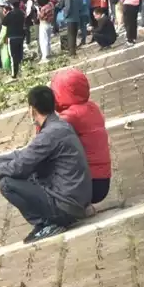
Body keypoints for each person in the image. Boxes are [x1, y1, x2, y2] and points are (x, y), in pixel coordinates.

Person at [0, 86, 92, 243]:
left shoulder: (49, 134)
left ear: (32, 110)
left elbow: (20, 166)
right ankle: (53, 220)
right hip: (76, 201)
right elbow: (25, 155)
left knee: (7, 183)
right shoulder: (59, 126)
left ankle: (47, 224)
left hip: (66, 206)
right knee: (28, 173)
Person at [51, 68, 111, 213]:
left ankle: (71, 208)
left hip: (88, 183)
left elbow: (47, 139)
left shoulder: (71, 117)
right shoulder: (92, 107)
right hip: (103, 180)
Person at [0, 0, 28, 79]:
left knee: (13, 56)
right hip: (20, 36)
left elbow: (4, 28)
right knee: (19, 54)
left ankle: (14, 74)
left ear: (12, 5)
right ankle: (20, 70)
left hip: (12, 37)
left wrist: (0, 40)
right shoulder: (22, 13)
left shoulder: (9, 15)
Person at [36, 0, 55, 64]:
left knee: (43, 41)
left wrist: (38, 11)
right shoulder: (50, 5)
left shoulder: (43, 8)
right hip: (49, 24)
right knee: (48, 40)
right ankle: (49, 53)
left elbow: (40, 17)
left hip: (43, 24)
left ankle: (45, 56)